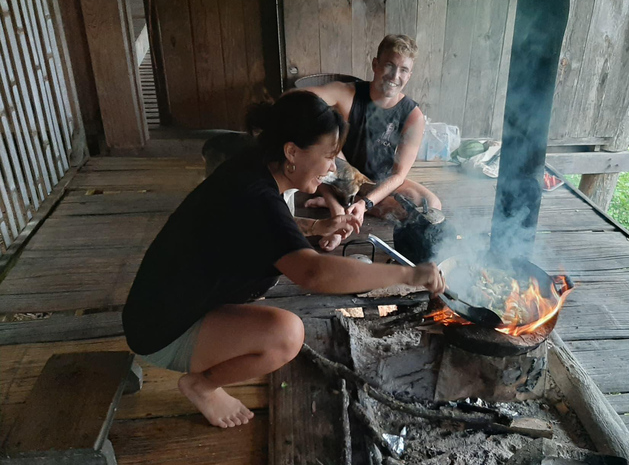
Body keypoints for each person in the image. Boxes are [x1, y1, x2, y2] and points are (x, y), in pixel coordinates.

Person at [121, 91, 445, 429]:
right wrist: (408, 275)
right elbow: (314, 273)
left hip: (158, 302)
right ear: (292, 151)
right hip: (162, 330)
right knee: (287, 335)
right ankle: (201, 385)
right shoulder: (259, 197)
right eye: (329, 156)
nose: (333, 168)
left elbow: (267, 227)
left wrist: (317, 226)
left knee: (266, 295)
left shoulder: (254, 163)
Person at [302, 34, 441, 250]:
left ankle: (347, 203)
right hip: (337, 173)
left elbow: (398, 175)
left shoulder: (413, 116)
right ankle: (336, 208)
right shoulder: (348, 94)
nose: (395, 76)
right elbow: (298, 98)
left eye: (403, 70)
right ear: (376, 65)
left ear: (410, 74)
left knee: (431, 206)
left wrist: (365, 203)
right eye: (389, 65)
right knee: (317, 142)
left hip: (376, 183)